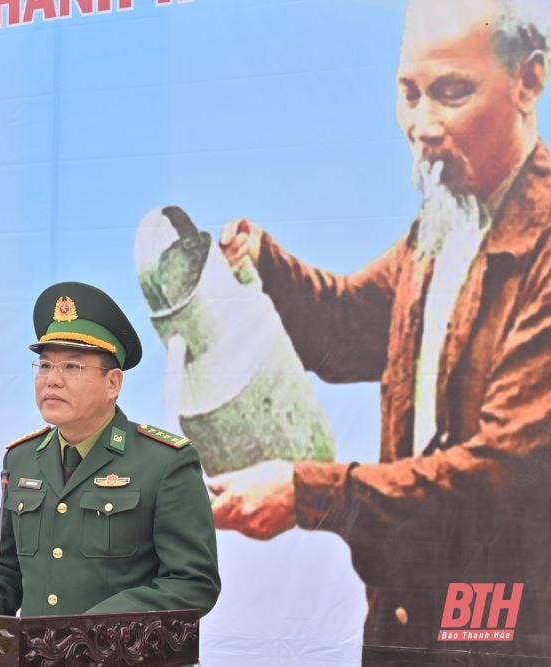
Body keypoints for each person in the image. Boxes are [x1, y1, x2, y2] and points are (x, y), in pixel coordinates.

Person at [211, 0, 551, 661]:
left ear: (529, 82)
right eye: (409, 93)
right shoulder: (443, 227)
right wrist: (268, 267)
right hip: (411, 611)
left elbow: (507, 479)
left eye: (451, 92)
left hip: (511, 623)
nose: (422, 126)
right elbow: (351, 329)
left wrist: (308, 491)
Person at [0, 281, 220, 618]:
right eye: (45, 365)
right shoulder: (22, 458)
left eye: (72, 367)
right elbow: (4, 573)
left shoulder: (164, 462)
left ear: (113, 383)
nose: (52, 380)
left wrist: (96, 629)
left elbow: (193, 583)